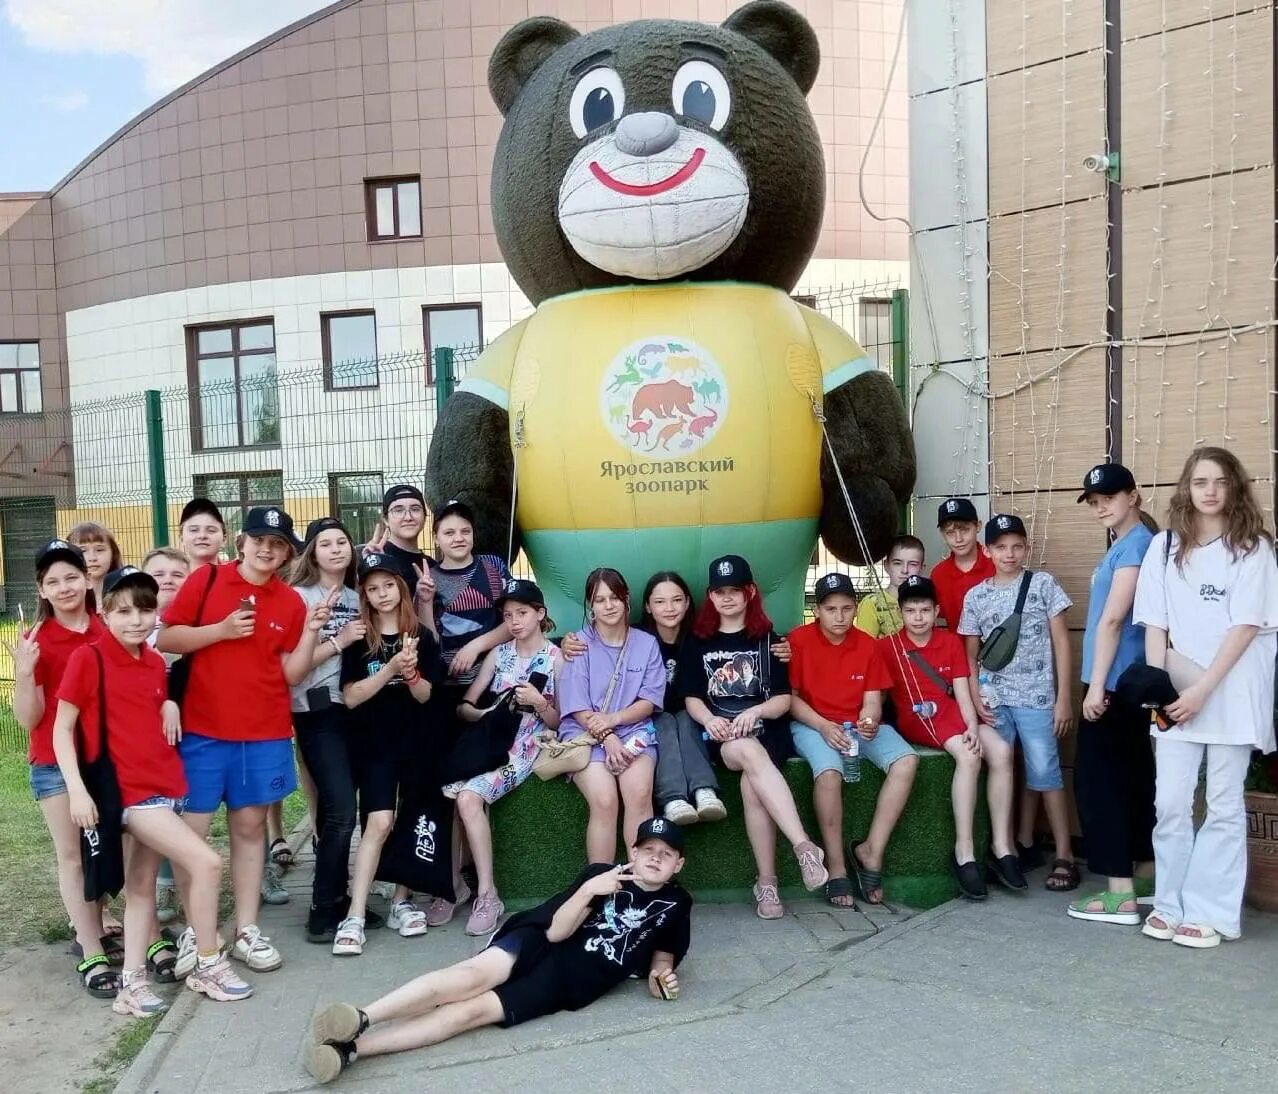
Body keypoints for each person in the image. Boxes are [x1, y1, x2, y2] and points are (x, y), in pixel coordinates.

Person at [302, 816, 691, 1085]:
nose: (655, 857)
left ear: (678, 864)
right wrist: (590, 890)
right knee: (466, 979)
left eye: (666, 853)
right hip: (539, 938)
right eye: (648, 848)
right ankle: (362, 1016)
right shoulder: (601, 875)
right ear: (634, 852)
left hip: (570, 980)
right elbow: (556, 933)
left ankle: (351, 1050)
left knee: (469, 1013)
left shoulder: (678, 903)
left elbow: (664, 952)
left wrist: (660, 975)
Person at [52, 566, 253, 1014]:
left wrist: (165, 701)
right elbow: (62, 729)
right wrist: (77, 792)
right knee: (206, 862)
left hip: (162, 786)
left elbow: (144, 704)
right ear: (104, 612)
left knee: (141, 886)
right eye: (123, 611)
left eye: (144, 609)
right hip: (125, 794)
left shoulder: (151, 660)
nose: (136, 620)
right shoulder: (89, 658)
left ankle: (132, 986)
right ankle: (207, 963)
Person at [158, 506, 318, 976]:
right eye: (258, 540)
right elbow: (168, 638)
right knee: (194, 837)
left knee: (249, 831)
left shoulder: (290, 602)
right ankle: (197, 930)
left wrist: (309, 634)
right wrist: (220, 631)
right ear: (241, 542)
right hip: (203, 732)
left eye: (277, 543)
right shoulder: (205, 581)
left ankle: (246, 928)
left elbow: (290, 673)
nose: (266, 549)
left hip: (264, 732)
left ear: (287, 552)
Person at [1134, 446, 1278, 948]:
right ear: (1186, 489)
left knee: (1222, 802)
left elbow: (1246, 626)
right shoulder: (1165, 546)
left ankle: (1210, 911)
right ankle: (1169, 903)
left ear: (1234, 486)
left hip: (1231, 689)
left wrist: (1202, 691)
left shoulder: (1254, 547)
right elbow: (1155, 621)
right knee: (1170, 801)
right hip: (1176, 692)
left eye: (1220, 481)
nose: (1210, 490)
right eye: (1200, 482)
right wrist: (1159, 689)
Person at [679, 555, 828, 918]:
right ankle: (804, 845)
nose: (727, 598)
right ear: (711, 597)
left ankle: (767, 884)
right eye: (719, 591)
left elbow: (781, 700)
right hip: (723, 738)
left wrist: (755, 711)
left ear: (749, 593)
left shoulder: (768, 640)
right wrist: (710, 720)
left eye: (734, 590)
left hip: (767, 733)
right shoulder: (698, 641)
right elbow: (692, 697)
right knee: (744, 750)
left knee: (752, 786)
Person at [6, 539, 115, 997]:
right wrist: (27, 673)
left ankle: (103, 921)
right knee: (72, 855)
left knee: (110, 850)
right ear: (42, 590)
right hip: (55, 765)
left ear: (87, 579)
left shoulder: (108, 629)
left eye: (72, 576)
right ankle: (89, 947)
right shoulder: (37, 641)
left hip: (108, 760)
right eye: (53, 581)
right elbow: (29, 719)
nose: (65, 586)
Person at [880, 575, 1024, 899]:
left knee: (1000, 750)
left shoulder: (949, 641)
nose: (918, 618)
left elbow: (961, 690)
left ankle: (1001, 846)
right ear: (900, 612)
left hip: (955, 713)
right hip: (920, 717)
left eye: (925, 610)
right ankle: (965, 851)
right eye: (911, 610)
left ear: (937, 611)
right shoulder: (888, 646)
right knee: (970, 755)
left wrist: (972, 726)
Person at [959, 514, 1077, 891]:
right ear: (988, 550)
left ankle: (1064, 855)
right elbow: (970, 654)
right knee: (1002, 768)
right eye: (1001, 547)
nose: (1009, 554)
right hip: (994, 698)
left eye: (1017, 546)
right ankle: (1005, 848)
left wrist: (1063, 699)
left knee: (1046, 772)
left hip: (1038, 697)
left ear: (1026, 547)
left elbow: (1061, 641)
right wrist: (975, 698)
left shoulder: (1042, 584)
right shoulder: (976, 595)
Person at [789, 572, 919, 908]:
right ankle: (835, 866)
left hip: (857, 725)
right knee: (829, 773)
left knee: (906, 761)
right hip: (811, 723)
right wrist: (822, 725)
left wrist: (871, 719)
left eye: (847, 608)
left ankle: (871, 850)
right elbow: (791, 700)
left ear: (856, 607)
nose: (839, 616)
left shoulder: (867, 644)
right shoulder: (798, 640)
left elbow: (873, 699)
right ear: (817, 610)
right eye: (831, 609)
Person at [335, 552, 441, 955]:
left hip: (415, 743)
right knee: (379, 822)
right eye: (373, 588)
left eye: (388, 585)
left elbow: (427, 694)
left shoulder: (423, 636)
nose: (382, 594)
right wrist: (390, 668)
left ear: (402, 587)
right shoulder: (359, 636)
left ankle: (401, 901)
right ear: (364, 593)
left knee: (411, 820)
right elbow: (350, 697)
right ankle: (356, 914)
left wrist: (412, 673)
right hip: (375, 746)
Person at [446, 578, 561, 936]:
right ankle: (450, 886)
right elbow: (466, 705)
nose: (515, 621)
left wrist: (539, 703)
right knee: (447, 790)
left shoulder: (556, 658)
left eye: (523, 613)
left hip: (525, 747)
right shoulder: (500, 653)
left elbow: (562, 719)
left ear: (541, 614)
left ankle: (488, 895)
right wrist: (485, 714)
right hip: (488, 740)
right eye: (508, 615)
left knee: (467, 797)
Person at [1068, 464, 1157, 926]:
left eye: (1109, 496)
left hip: (1114, 683)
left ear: (1134, 496)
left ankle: (1120, 893)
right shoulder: (1128, 544)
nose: (1100, 504)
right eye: (1094, 499)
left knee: (1101, 784)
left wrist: (1096, 686)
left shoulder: (1137, 546)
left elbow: (1113, 620)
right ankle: (1143, 874)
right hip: (1122, 684)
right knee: (1133, 778)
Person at [289, 518, 365, 944]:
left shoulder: (357, 597)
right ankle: (322, 908)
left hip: (355, 709)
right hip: (316, 710)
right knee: (339, 811)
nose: (336, 549)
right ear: (312, 553)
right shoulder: (298, 597)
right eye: (325, 544)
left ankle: (342, 901)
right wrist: (339, 641)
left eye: (342, 542)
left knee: (345, 810)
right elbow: (293, 664)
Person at [557, 568, 665, 862]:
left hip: (633, 730)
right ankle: (600, 885)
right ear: (590, 605)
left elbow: (649, 700)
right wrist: (607, 738)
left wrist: (615, 723)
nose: (609, 605)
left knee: (640, 794)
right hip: (586, 734)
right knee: (604, 801)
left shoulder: (646, 643)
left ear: (627, 599)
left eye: (615, 597)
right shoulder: (578, 643)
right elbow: (577, 707)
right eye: (600, 599)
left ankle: (640, 883)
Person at [642, 571, 726, 826]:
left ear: (688, 602)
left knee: (685, 719)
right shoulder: (637, 638)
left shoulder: (701, 638)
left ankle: (704, 791)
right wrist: (568, 641)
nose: (669, 608)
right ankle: (673, 799)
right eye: (659, 602)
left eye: (677, 600)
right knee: (666, 721)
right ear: (647, 606)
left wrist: (780, 645)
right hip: (650, 717)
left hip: (695, 718)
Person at [141, 546, 191, 929]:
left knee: (185, 808)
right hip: (147, 738)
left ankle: (181, 879)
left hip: (193, 731)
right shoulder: (135, 626)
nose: (169, 581)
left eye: (177, 574)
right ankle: (162, 883)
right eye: (159, 575)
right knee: (152, 809)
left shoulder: (194, 624)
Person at [363, 484, 437, 626]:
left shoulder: (432, 566)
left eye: (415, 509)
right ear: (385, 519)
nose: (408, 517)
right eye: (398, 510)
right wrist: (372, 567)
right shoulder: (374, 558)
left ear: (425, 517)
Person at [930, 497, 995, 630]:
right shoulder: (938, 574)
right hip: (956, 649)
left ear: (978, 526)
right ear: (942, 534)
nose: (958, 539)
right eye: (950, 532)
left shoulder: (996, 564)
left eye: (964, 530)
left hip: (998, 649)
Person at [853, 535, 925, 638]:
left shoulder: (926, 602)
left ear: (922, 568)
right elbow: (865, 648)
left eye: (913, 564)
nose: (905, 570)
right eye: (897, 563)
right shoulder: (872, 604)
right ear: (886, 566)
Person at [66, 522, 123, 608]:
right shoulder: (64, 598)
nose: (92, 558)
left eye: (99, 550)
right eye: (83, 551)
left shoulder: (128, 594)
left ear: (113, 554)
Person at [178, 498, 227, 568]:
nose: (202, 536)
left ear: (224, 539)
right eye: (194, 530)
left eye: (211, 530)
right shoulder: (168, 577)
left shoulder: (238, 575)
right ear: (181, 538)